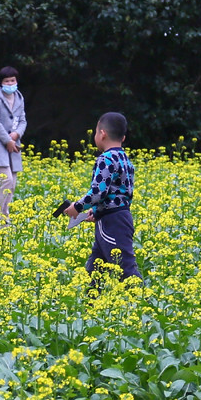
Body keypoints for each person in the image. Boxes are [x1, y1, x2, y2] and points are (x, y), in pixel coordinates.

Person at [63, 111, 139, 281]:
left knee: (126, 268)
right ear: (123, 138)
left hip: (112, 223)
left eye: (96, 132)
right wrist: (97, 213)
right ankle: (91, 305)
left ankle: (142, 301)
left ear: (102, 134)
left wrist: (77, 207)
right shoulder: (124, 158)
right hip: (120, 217)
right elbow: (121, 194)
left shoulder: (106, 159)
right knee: (95, 268)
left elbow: (98, 192)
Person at [0, 66, 27, 224]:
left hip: (14, 144)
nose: (11, 84)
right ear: (1, 83)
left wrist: (16, 135)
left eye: (13, 80)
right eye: (7, 81)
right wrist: (7, 140)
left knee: (12, 183)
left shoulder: (19, 96)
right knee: (5, 180)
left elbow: (23, 120)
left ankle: (4, 216)